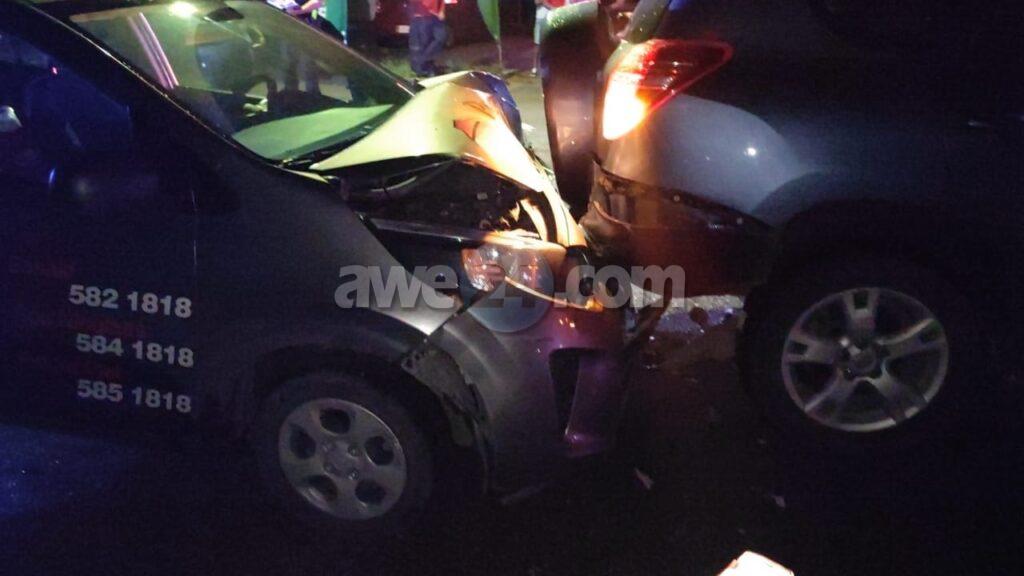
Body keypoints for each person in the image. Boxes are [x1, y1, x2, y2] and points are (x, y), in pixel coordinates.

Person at [408, 0, 448, 77]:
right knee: (426, 43)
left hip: (435, 16)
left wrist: (441, 10)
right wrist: (427, 10)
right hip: (422, 16)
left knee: (440, 37)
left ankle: (421, 63)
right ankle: (427, 68)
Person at [533, 0, 566, 74]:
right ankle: (535, 67)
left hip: (551, 17)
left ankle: (550, 67)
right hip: (541, 18)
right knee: (538, 44)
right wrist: (550, 6)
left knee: (551, 44)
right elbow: (537, 2)